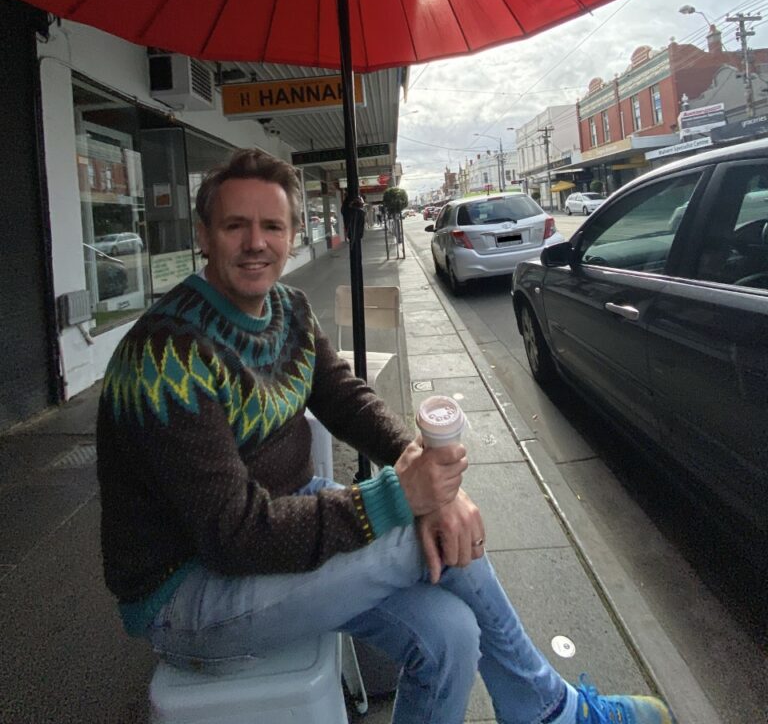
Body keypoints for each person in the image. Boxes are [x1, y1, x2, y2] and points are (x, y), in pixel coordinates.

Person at [96, 149, 675, 724]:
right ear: (204, 235)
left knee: (452, 635)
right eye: (235, 226)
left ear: (292, 235)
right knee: (431, 534)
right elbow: (234, 535)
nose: (256, 243)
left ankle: (539, 706)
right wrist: (405, 496)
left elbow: (347, 400)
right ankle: (546, 708)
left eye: (272, 226)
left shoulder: (289, 308)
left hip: (284, 522)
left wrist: (418, 465)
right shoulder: (164, 356)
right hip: (187, 590)